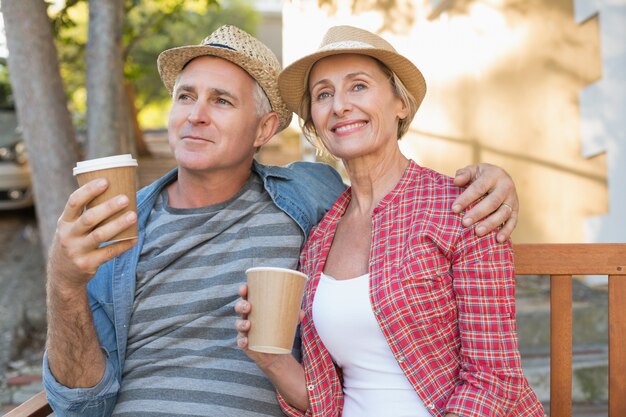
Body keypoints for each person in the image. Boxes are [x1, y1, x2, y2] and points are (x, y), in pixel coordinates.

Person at [43, 25, 519, 417]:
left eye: (222, 101)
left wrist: (496, 180)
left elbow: (495, 379)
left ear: (266, 129)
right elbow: (78, 403)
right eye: (186, 97)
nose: (196, 116)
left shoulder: (308, 200)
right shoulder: (118, 223)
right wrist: (65, 282)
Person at [235, 25, 545, 417]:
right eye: (324, 94)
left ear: (401, 102)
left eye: (359, 86)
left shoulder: (464, 206)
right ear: (314, 121)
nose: (340, 105)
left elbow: (495, 380)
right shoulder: (320, 236)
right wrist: (272, 359)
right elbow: (328, 402)